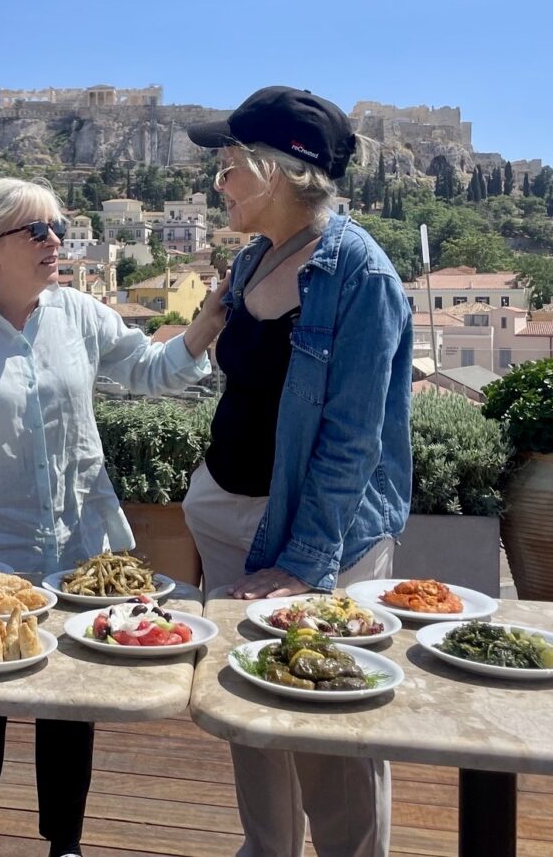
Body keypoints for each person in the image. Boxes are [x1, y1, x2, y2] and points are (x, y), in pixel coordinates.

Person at [0, 177, 224, 857]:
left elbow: (150, 370)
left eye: (59, 226)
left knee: (70, 703)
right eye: (39, 231)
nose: (57, 241)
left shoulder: (79, 313)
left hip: (82, 551)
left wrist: (210, 321)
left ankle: (65, 844)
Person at [183, 86, 413, 857]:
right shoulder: (254, 256)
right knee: (252, 711)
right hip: (230, 521)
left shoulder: (362, 276)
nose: (218, 183)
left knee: (331, 725)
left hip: (320, 539)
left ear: (272, 172)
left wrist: (301, 563)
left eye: (227, 168)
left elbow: (351, 441)